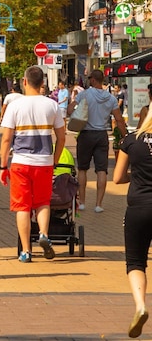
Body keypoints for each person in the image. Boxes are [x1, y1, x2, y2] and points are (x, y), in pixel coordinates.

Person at [0, 65, 66, 263]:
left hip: (21, 162)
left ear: (25, 81)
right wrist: (55, 160)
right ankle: (44, 234)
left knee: (23, 207)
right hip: (44, 162)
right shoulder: (52, 105)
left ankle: (26, 251)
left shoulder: (15, 106)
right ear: (43, 83)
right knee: (43, 202)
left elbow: (5, 139)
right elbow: (61, 138)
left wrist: (3, 165)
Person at [113, 110, 152, 338]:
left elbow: (117, 178)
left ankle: (140, 306)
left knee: (136, 262)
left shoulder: (131, 140)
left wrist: (136, 176)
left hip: (138, 207)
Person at [68, 69, 127, 212]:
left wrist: (75, 104)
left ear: (93, 80)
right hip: (102, 135)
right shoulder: (111, 98)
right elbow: (119, 119)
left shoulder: (85, 94)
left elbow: (70, 110)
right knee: (102, 170)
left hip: (86, 134)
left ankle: (82, 202)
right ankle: (99, 204)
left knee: (82, 168)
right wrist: (125, 136)